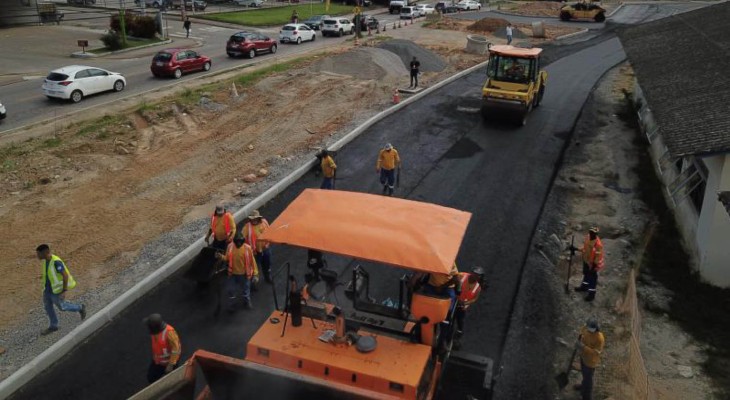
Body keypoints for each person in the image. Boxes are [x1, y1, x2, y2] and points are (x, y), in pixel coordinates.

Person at [36, 244, 86, 335]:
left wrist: (64, 290)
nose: (37, 256)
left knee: (62, 307)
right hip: (47, 290)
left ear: (45, 252)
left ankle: (80, 308)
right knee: (48, 307)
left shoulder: (56, 262)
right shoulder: (45, 261)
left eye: (38, 254)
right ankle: (53, 326)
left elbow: (65, 275)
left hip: (56, 291)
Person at [220, 236, 258, 311]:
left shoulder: (248, 248)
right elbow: (227, 258)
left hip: (244, 274)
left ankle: (247, 302)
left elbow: (252, 261)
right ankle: (232, 305)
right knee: (231, 290)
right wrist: (221, 256)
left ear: (243, 241)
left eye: (240, 242)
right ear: (234, 242)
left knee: (246, 289)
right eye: (237, 242)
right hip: (232, 274)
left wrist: (255, 274)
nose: (238, 244)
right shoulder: (230, 247)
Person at [145, 314, 181, 384]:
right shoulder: (155, 331)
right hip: (158, 361)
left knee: (172, 380)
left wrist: (170, 365)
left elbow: (176, 349)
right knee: (151, 377)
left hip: (168, 363)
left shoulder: (170, 333)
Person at [575, 318, 604, 400]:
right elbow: (582, 330)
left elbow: (596, 352)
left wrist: (583, 347)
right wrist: (580, 337)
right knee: (585, 375)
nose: (587, 328)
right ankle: (583, 386)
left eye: (589, 327)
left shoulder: (599, 338)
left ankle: (587, 397)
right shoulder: (586, 328)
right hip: (583, 357)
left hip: (591, 362)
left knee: (588, 380)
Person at [574, 227, 605, 302]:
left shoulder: (598, 245)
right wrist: (576, 249)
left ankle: (591, 294)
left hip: (593, 264)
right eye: (590, 232)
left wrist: (594, 266)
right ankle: (584, 287)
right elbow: (585, 249)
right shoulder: (588, 238)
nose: (591, 234)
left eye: (593, 233)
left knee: (592, 278)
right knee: (586, 274)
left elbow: (598, 256)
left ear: (596, 234)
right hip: (587, 261)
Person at [243, 210, 272, 283]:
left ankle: (267, 277)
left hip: (265, 249)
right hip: (254, 252)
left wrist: (267, 244)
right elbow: (242, 238)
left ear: (259, 218)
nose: (254, 220)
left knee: (267, 264)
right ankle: (254, 283)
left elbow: (269, 232)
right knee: (255, 268)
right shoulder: (247, 227)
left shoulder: (264, 222)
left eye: (255, 218)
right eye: (252, 219)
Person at [455, 267, 484, 336]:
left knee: (460, 319)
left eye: (478, 275)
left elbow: (474, 299)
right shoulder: (462, 275)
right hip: (454, 300)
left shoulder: (478, 288)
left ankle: (459, 331)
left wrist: (465, 303)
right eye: (475, 274)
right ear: (471, 272)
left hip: (462, 306)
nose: (475, 276)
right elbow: (454, 278)